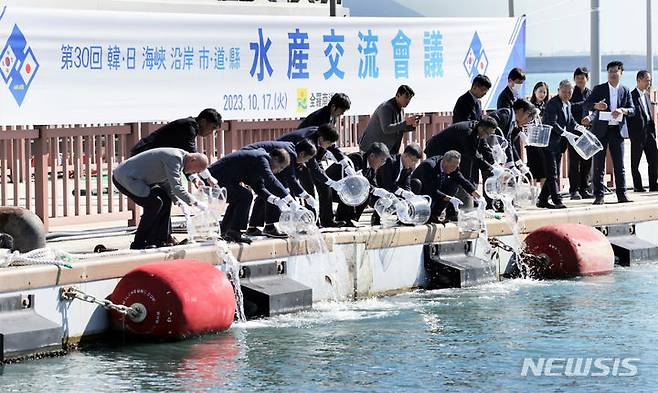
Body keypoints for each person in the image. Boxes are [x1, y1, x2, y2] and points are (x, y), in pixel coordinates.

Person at [112, 148, 209, 249]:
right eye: (194, 169)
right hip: (125, 177)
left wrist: (178, 201)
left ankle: (159, 239)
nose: (192, 172)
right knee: (155, 203)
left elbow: (166, 183)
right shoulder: (175, 158)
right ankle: (139, 242)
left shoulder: (180, 159)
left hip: (138, 179)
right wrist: (195, 202)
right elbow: (176, 187)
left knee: (165, 198)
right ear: (192, 159)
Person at [208, 148, 296, 244]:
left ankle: (225, 231)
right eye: (281, 167)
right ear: (274, 158)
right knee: (245, 196)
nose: (279, 171)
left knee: (240, 198)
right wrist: (290, 200)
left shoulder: (258, 164)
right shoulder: (262, 158)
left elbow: (259, 188)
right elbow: (271, 180)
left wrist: (275, 200)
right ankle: (234, 232)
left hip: (224, 181)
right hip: (213, 179)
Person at [583, 60, 636, 205]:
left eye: (615, 71)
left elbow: (632, 109)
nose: (612, 74)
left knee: (619, 164)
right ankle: (599, 196)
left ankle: (622, 194)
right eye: (610, 71)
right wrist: (596, 106)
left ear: (621, 73)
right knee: (599, 164)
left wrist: (623, 110)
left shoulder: (625, 90)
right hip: (601, 131)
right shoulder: (599, 89)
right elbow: (587, 103)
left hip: (617, 131)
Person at [242, 140, 318, 238]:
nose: (307, 161)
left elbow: (288, 179)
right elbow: (291, 180)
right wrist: (306, 197)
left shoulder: (291, 150)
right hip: (249, 159)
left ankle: (253, 227)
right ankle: (270, 227)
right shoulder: (290, 154)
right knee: (274, 189)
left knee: (265, 192)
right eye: (307, 158)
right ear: (302, 153)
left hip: (250, 157)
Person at [130, 108, 222, 187]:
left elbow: (188, 159)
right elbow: (193, 158)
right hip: (142, 157)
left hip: (151, 161)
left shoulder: (190, 127)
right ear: (203, 122)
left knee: (163, 198)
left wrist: (194, 179)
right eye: (212, 128)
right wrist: (209, 178)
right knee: (158, 198)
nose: (211, 132)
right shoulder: (188, 127)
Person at [278, 124, 348, 227]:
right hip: (289, 156)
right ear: (322, 139)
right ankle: (310, 221)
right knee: (307, 188)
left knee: (324, 186)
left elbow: (332, 147)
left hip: (303, 156)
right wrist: (332, 182)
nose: (329, 146)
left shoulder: (322, 134)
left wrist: (344, 164)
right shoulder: (310, 142)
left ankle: (327, 220)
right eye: (328, 143)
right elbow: (314, 169)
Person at [326, 142, 390, 227]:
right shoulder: (356, 159)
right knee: (356, 190)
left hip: (344, 189)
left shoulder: (371, 168)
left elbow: (373, 184)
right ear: (372, 156)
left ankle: (351, 219)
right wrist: (374, 190)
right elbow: (354, 182)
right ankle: (342, 219)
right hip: (331, 187)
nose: (382, 164)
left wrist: (384, 196)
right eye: (382, 160)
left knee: (367, 193)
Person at [537, 80, 577, 209]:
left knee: (552, 173)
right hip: (549, 144)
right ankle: (557, 200)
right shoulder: (552, 104)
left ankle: (542, 200)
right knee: (553, 173)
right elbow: (552, 123)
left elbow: (570, 121)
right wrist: (565, 133)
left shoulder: (568, 104)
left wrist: (578, 127)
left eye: (569, 92)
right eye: (564, 91)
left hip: (559, 145)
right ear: (558, 90)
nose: (566, 94)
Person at [424, 116, 498, 187]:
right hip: (437, 149)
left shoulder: (479, 129)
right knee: (437, 177)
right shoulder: (467, 132)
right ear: (482, 129)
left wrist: (494, 164)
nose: (488, 136)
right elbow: (473, 154)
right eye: (488, 133)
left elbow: (484, 148)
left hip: (450, 151)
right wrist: (490, 168)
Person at [411, 150, 482, 222]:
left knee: (454, 183)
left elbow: (461, 180)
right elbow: (431, 189)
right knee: (423, 187)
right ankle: (423, 213)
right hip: (422, 191)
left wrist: (474, 192)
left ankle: (436, 214)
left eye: (456, 166)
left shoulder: (454, 167)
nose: (454, 169)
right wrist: (449, 198)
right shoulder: (429, 166)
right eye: (452, 166)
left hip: (436, 188)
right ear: (445, 161)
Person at [371, 143, 423, 225]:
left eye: (416, 162)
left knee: (416, 184)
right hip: (380, 190)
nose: (414, 164)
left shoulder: (408, 168)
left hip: (395, 190)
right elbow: (387, 184)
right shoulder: (390, 161)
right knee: (387, 194)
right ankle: (376, 216)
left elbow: (407, 185)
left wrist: (408, 194)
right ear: (405, 156)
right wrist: (402, 192)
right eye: (412, 161)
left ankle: (403, 217)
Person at [358, 85, 419, 154]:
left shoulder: (401, 109)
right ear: (398, 95)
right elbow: (387, 129)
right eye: (406, 97)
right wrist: (405, 123)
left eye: (410, 99)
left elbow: (398, 129)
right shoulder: (386, 107)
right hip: (372, 149)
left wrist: (412, 125)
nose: (408, 101)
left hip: (386, 149)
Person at [628, 70, 658, 192]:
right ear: (638, 80)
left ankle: (653, 184)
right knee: (635, 162)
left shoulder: (646, 95)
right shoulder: (631, 96)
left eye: (650, 80)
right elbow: (629, 114)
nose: (649, 82)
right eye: (646, 80)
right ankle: (638, 186)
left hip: (649, 133)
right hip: (637, 134)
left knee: (654, 159)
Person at [568, 67, 594, 200]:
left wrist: (590, 117)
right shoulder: (571, 92)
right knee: (574, 162)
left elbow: (595, 111)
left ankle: (585, 188)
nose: (580, 80)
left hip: (587, 132)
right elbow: (569, 106)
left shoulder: (590, 93)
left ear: (587, 79)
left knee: (587, 161)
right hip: (574, 132)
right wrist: (585, 104)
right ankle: (574, 190)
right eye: (577, 77)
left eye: (582, 77)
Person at [527, 82, 549, 185]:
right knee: (533, 168)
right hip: (532, 141)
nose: (542, 94)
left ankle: (543, 195)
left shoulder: (548, 106)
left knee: (544, 169)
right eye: (540, 91)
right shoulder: (529, 106)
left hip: (544, 141)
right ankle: (533, 194)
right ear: (535, 92)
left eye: (544, 92)